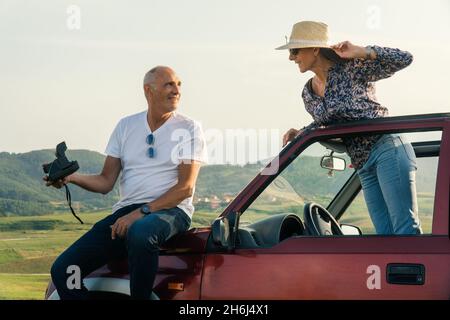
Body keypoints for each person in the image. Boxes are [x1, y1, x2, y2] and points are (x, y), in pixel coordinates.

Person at [44, 66, 208, 299]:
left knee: (140, 232)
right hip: (127, 213)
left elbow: (185, 188)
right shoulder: (126, 126)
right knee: (64, 270)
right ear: (148, 90)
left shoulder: (189, 128)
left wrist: (140, 213)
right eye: (169, 84)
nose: (176, 90)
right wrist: (70, 177)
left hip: (171, 211)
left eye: (179, 84)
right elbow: (105, 181)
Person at [277, 21, 421, 235]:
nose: (291, 57)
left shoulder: (352, 67)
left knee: (405, 231)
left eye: (295, 51)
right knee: (384, 235)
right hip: (362, 162)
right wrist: (302, 133)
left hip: (387, 148)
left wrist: (362, 51)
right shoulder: (308, 93)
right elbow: (325, 122)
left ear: (315, 49)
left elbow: (405, 59)